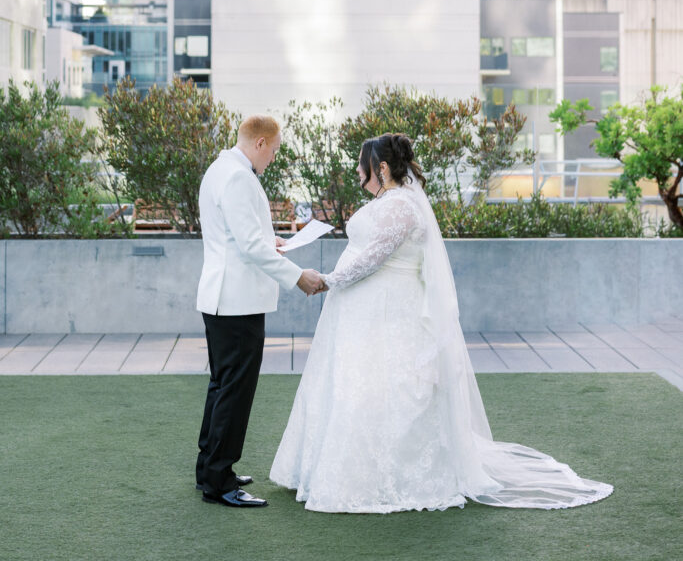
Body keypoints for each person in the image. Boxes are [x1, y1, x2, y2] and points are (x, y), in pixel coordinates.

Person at [270, 133, 614, 514]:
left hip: (390, 310)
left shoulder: (402, 207)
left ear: (381, 168)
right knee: (358, 383)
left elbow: (374, 258)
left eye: (362, 165)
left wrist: (328, 280)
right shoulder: (387, 201)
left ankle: (389, 476)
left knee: (389, 384)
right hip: (362, 310)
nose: (356, 171)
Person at [196, 114, 324, 509]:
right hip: (237, 302)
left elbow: (240, 234)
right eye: (275, 150)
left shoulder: (221, 169)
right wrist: (296, 276)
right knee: (234, 391)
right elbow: (248, 246)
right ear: (262, 143)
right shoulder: (237, 177)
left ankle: (211, 471)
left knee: (222, 386)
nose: (273, 159)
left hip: (224, 299)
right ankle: (220, 482)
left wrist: (272, 240)